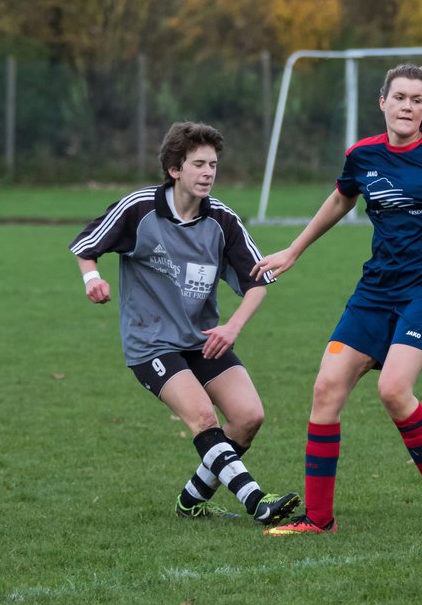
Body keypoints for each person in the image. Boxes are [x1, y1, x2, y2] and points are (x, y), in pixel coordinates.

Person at [251, 18, 422, 537]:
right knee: (326, 388)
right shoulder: (363, 155)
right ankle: (318, 519)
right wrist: (295, 250)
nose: (407, 107)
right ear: (383, 102)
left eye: (416, 100)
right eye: (399, 97)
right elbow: (341, 196)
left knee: (394, 390)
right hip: (377, 289)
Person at [69, 121, 299, 526]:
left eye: (213, 164)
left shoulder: (223, 221)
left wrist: (232, 327)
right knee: (204, 419)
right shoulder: (139, 209)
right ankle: (256, 500)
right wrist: (93, 279)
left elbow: (259, 281)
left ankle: (192, 501)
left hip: (202, 339)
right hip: (151, 343)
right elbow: (87, 247)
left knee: (248, 417)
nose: (209, 172)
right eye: (198, 164)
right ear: (175, 169)